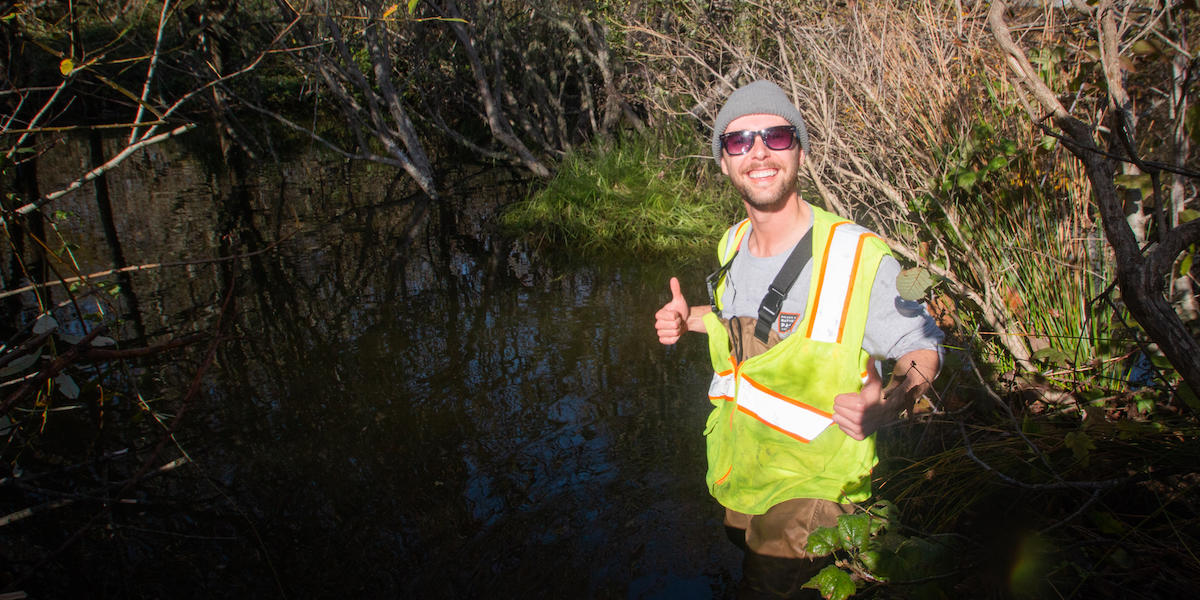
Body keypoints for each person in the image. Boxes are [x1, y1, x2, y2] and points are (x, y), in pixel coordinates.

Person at [653, 80, 944, 598]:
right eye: (740, 141)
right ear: (724, 162)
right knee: (742, 550)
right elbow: (741, 326)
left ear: (801, 153)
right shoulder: (733, 242)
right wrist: (690, 318)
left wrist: (892, 403)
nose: (759, 151)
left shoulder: (856, 257)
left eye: (777, 137)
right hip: (746, 466)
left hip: (818, 486)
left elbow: (922, 347)